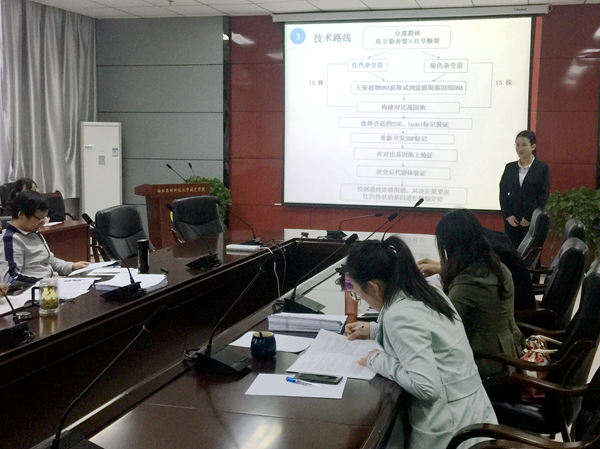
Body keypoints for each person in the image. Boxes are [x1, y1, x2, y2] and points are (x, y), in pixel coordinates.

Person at [344, 236, 497, 449]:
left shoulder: (399, 315)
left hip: (450, 427)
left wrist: (377, 361)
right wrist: (374, 330)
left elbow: (426, 388)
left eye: (358, 293)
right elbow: (428, 334)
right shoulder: (427, 291)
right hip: (474, 413)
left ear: (373, 287)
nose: (360, 298)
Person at [423, 209, 524, 380]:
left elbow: (439, 325)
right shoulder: (494, 265)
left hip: (487, 365)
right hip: (507, 352)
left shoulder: (470, 282)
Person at [418, 227, 536, 311]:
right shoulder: (487, 241)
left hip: (518, 311)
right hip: (511, 304)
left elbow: (450, 312)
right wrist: (441, 265)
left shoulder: (492, 255)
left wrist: (441, 272)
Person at [0, 190, 89, 286]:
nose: (43, 223)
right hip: (33, 290)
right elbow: (10, 279)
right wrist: (45, 281)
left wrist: (71, 266)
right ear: (21, 215)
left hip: (49, 285)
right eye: (39, 219)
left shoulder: (33, 233)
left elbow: (49, 260)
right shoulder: (10, 240)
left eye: (44, 218)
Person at [499, 130, 551, 248]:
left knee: (529, 254)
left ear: (533, 147)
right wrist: (507, 215)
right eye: (517, 145)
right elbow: (503, 192)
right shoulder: (510, 167)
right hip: (512, 221)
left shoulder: (542, 168)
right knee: (511, 252)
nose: (520, 148)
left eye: (524, 145)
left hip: (532, 221)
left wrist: (529, 217)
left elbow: (543, 195)